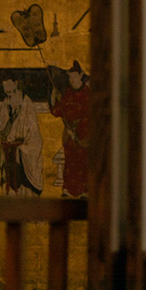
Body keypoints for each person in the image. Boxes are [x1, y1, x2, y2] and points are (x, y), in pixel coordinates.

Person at [0, 77, 44, 196]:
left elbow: (34, 134)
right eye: (4, 87)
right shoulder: (5, 104)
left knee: (23, 190)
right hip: (8, 153)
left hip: (22, 153)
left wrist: (21, 149)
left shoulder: (26, 103)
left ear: (15, 84)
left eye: (9, 85)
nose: (7, 90)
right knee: (9, 189)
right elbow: (2, 127)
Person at [49, 60, 90, 197]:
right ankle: (68, 189)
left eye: (73, 76)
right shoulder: (67, 93)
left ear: (80, 76)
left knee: (84, 161)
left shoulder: (87, 93)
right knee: (70, 161)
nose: (71, 80)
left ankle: (85, 190)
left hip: (84, 133)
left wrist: (78, 130)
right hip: (69, 133)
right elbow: (57, 111)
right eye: (69, 77)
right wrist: (53, 97)